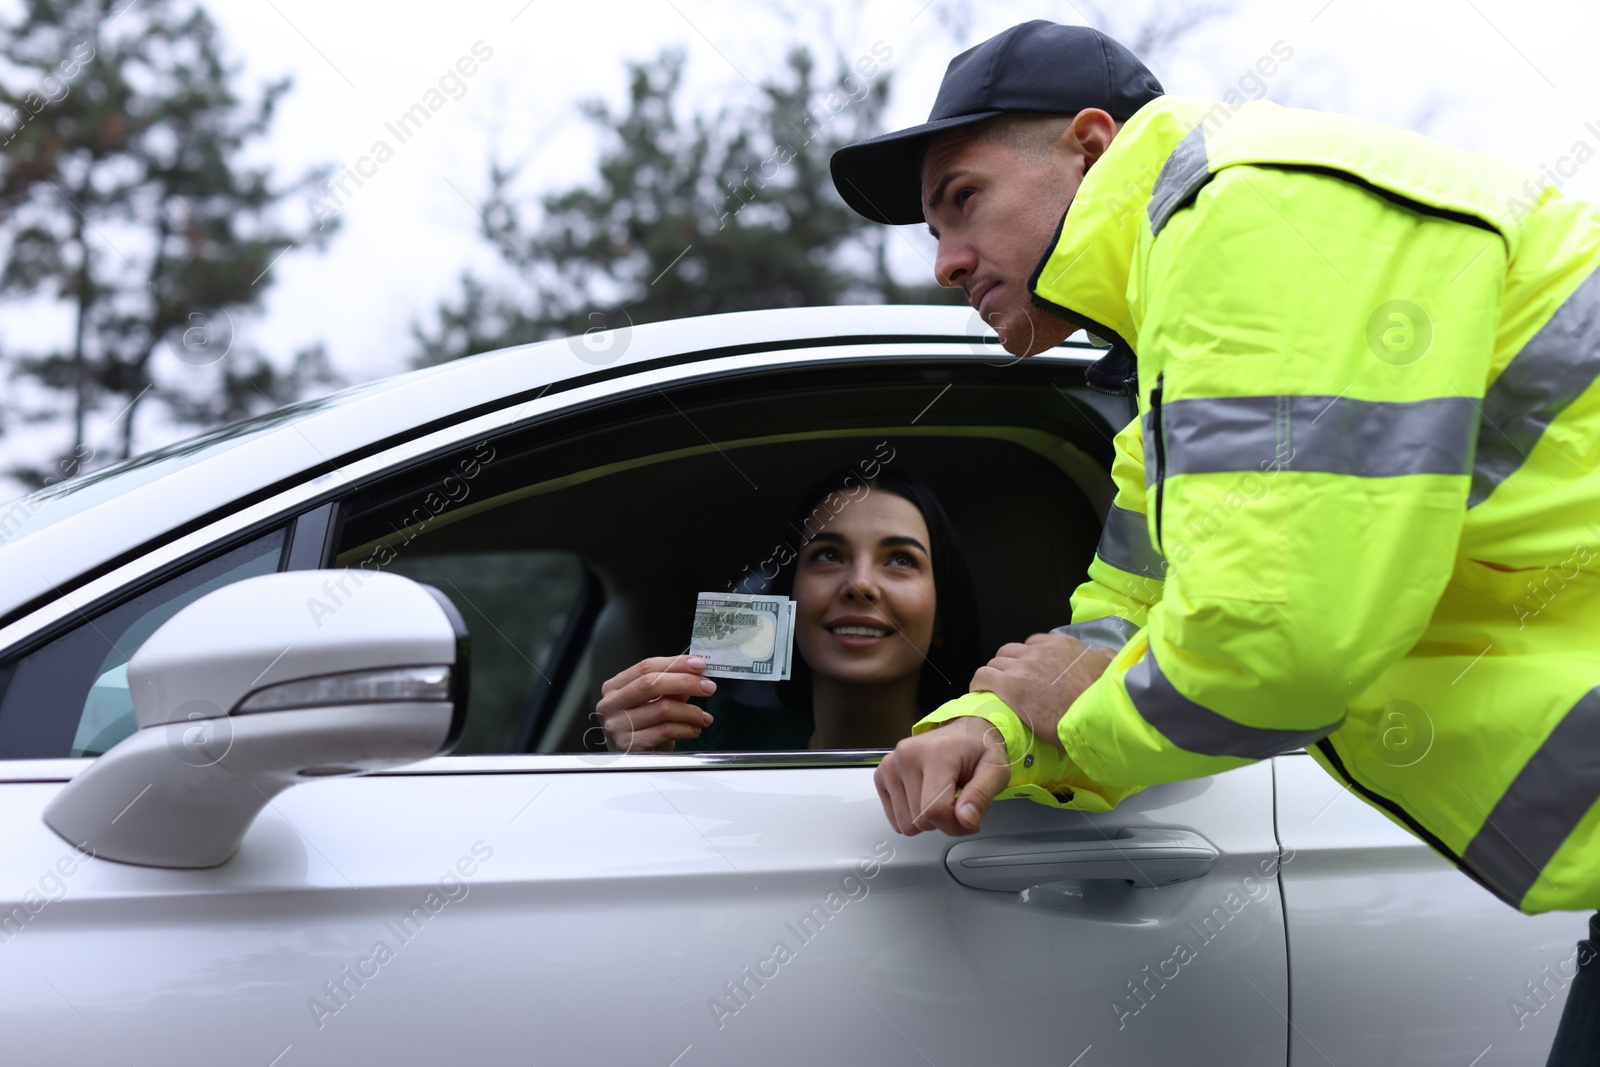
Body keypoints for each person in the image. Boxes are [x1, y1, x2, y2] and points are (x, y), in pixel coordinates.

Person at [830, 20, 1600, 1063]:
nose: (943, 262)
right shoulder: (1179, 336)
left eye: (961, 200)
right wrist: (995, 723)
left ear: (1091, 146)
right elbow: (1131, 601)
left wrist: (1079, 715)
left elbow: (1275, 644)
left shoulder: (1251, 212)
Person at [595, 468, 980, 752]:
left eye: (900, 560)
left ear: (942, 615)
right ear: (785, 607)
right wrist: (638, 767)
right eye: (829, 555)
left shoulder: (990, 756)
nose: (860, 584)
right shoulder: (709, 737)